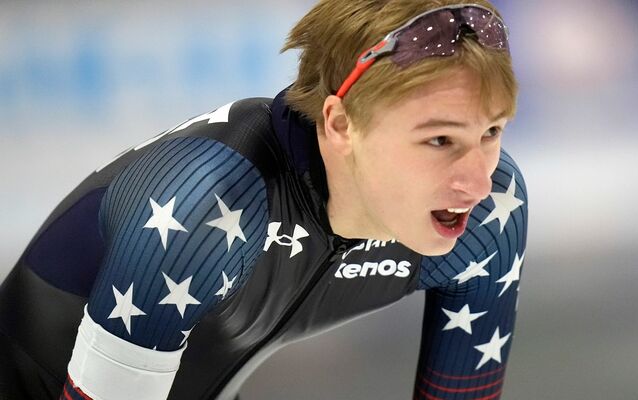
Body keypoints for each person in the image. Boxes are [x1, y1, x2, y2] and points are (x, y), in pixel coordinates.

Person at [0, 0, 527, 399]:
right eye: (439, 140)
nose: (477, 184)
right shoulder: (205, 204)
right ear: (341, 125)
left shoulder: (489, 218)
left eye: (491, 132)